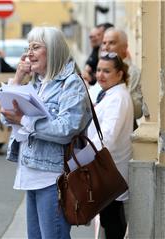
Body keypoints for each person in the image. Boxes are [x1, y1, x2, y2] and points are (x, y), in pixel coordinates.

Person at [0, 26, 93, 239]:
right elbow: (5, 116)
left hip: (54, 178)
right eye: (28, 47)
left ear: (52, 50)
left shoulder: (70, 84)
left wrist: (24, 120)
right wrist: (18, 77)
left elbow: (66, 129)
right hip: (31, 172)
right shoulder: (37, 83)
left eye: (36, 47)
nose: (29, 53)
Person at [88, 52, 133, 239]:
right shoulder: (110, 93)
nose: (100, 75)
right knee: (109, 220)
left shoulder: (118, 98)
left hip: (111, 171)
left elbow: (108, 137)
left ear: (120, 74)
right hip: (106, 169)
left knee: (112, 221)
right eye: (98, 70)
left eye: (106, 71)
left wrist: (84, 156)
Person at [101, 27, 149, 127]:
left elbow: (137, 111)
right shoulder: (101, 69)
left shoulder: (132, 72)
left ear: (124, 47)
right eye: (104, 43)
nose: (106, 47)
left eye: (112, 43)